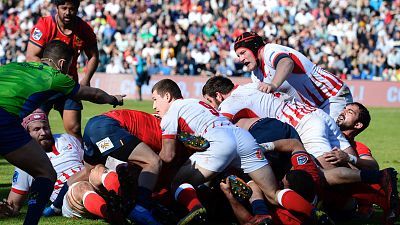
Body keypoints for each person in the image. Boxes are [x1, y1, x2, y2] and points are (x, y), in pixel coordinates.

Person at [152, 79, 333, 225]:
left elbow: (168, 156)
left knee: (178, 183)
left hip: (220, 142)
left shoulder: (171, 114)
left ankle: (196, 209)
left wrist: (153, 167)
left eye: (155, 99)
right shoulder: (196, 102)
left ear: (167, 96)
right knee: (272, 193)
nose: (153, 106)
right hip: (243, 138)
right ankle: (315, 213)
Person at [0, 40, 123, 225]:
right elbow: (92, 94)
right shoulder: (56, 76)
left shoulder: (13, 66)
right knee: (46, 173)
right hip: (4, 119)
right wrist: (113, 98)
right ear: (62, 64)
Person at [202, 75, 355, 169]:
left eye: (210, 101)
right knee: (352, 160)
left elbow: (217, 126)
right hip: (317, 114)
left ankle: (372, 180)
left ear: (218, 95)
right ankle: (369, 181)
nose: (212, 106)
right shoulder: (254, 85)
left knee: (324, 170)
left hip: (303, 124)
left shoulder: (230, 103)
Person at [234, 31, 353, 120]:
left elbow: (286, 62)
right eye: (238, 55)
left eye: (243, 53)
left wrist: (273, 84)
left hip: (331, 97)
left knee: (337, 144)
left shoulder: (270, 50)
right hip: (313, 108)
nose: (240, 59)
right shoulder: (255, 74)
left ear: (255, 47)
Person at [26, 0, 99, 141]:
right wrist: (55, 77)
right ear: (57, 8)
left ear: (77, 9)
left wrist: (86, 79)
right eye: (63, 8)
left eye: (71, 9)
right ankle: (39, 162)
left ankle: (79, 161)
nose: (67, 12)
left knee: (74, 128)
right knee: (37, 129)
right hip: (43, 85)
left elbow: (94, 56)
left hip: (68, 85)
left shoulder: (84, 29)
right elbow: (31, 56)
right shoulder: (44, 26)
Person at [0, 109, 84, 217]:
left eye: (45, 128)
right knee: (83, 189)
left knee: (99, 171)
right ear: (27, 134)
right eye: (37, 129)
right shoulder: (25, 161)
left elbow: (88, 166)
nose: (43, 133)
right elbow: (14, 204)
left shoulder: (68, 139)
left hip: (89, 180)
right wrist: (7, 209)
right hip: (72, 197)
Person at [324, 102, 378, 170]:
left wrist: (348, 158)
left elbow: (373, 166)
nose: (343, 112)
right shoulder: (324, 132)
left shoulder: (358, 147)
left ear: (357, 125)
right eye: (344, 109)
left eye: (350, 112)